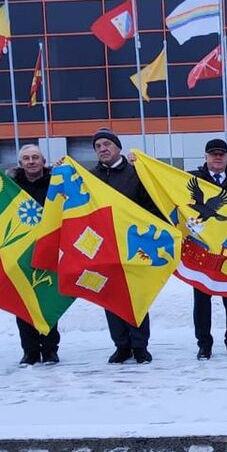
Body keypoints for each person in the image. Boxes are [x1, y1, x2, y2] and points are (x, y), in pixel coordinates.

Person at [89, 127, 161, 364]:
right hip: (104, 246)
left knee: (136, 296)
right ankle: (121, 346)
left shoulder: (136, 173)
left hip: (133, 245)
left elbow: (151, 206)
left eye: (107, 144)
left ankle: (140, 345)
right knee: (110, 296)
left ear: (118, 147)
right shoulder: (89, 177)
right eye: (98, 146)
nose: (103, 149)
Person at [192, 138, 227, 360]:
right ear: (205, 157)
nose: (217, 157)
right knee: (201, 300)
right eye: (213, 154)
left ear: (226, 157)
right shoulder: (192, 178)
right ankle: (204, 344)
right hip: (202, 247)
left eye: (221, 154)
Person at [10, 144, 60, 365]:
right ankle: (29, 350)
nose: (31, 162)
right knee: (22, 301)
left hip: (48, 247)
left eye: (35, 157)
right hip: (19, 250)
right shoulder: (11, 186)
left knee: (47, 299)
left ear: (43, 161)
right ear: (20, 163)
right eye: (26, 158)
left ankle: (50, 349)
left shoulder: (55, 182)